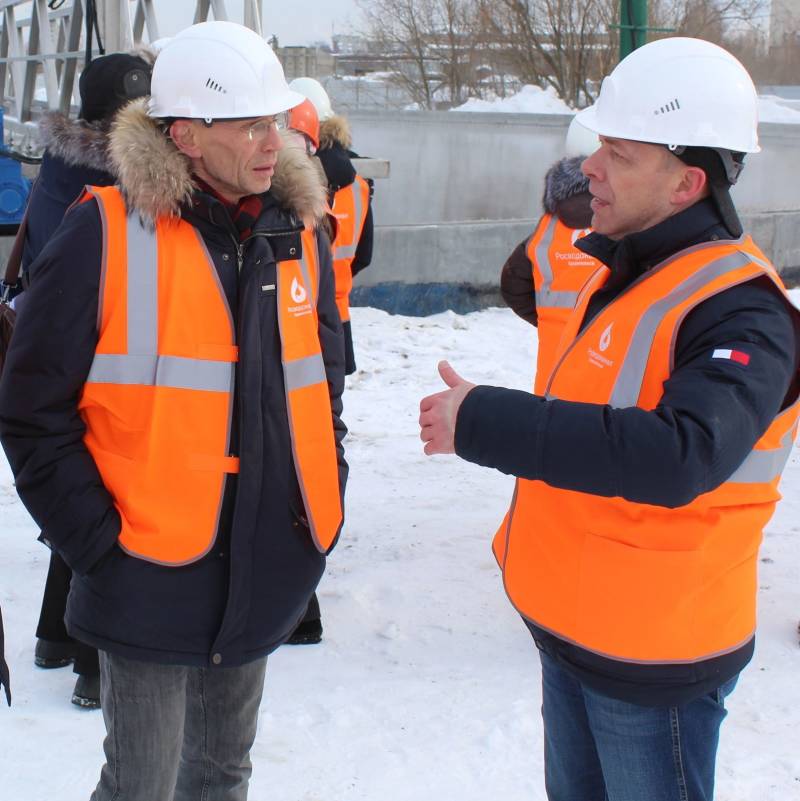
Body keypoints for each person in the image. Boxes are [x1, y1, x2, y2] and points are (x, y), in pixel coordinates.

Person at [419, 37, 800, 801]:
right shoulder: (638, 270)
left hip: (655, 658)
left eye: (618, 154)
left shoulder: (743, 310)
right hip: (577, 631)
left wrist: (486, 420)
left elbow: (679, 455)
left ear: (687, 182)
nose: (590, 167)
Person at [0, 20, 347, 801]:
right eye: (250, 125)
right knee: (140, 786)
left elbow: (320, 387)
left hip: (263, 562)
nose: (276, 141)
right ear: (186, 135)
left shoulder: (298, 233)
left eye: (275, 120)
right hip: (145, 573)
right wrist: (98, 545)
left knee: (222, 776)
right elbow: (30, 410)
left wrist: (318, 504)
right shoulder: (103, 231)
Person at [22, 50, 153, 710]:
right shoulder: (123, 182)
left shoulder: (57, 169)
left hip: (52, 355)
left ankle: (54, 634)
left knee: (73, 493)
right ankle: (94, 665)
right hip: (108, 359)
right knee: (111, 507)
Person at [290, 77, 373, 376]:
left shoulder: (289, 178)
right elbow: (363, 256)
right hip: (339, 314)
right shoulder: (359, 185)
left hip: (297, 312)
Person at [500, 154, 601, 392]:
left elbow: (512, 285)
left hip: (554, 368)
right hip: (608, 354)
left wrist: (549, 318)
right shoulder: (624, 222)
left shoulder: (546, 230)